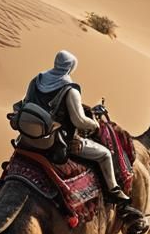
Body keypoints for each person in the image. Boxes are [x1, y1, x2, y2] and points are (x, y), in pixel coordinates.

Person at [22, 50, 131, 206]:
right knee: (105, 154)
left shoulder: (36, 80)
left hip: (28, 138)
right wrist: (94, 124)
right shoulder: (70, 89)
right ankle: (114, 191)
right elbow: (79, 121)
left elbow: (25, 103)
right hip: (57, 142)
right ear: (70, 67)